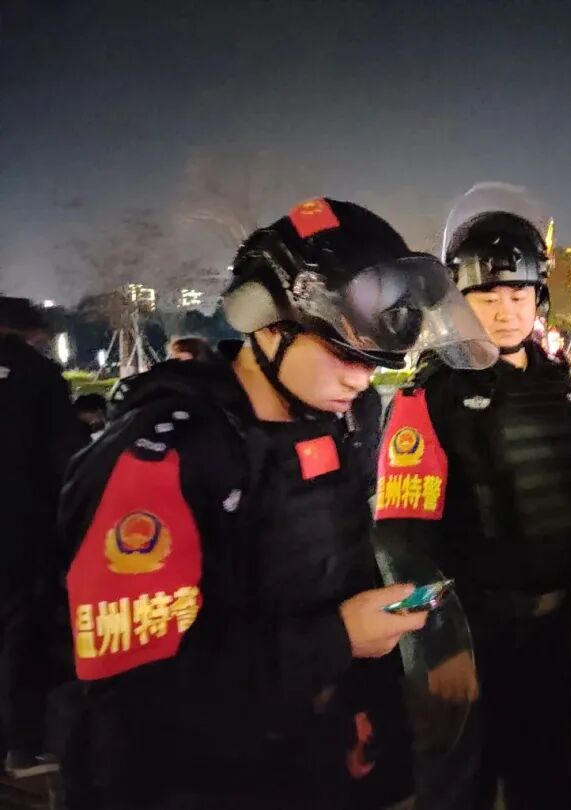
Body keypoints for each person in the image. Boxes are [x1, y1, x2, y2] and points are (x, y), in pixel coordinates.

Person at [57, 198, 494, 809]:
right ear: (267, 326)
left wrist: (365, 704)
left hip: (312, 760)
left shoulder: (344, 425)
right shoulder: (164, 457)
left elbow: (342, 572)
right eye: (344, 354)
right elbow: (134, 698)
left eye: (375, 362)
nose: (361, 379)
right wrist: (338, 638)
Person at [374, 183, 571, 810]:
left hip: (552, 635)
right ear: (459, 301)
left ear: (538, 299)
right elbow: (402, 537)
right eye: (487, 296)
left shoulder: (561, 387)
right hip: (474, 639)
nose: (505, 311)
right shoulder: (429, 397)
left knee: (552, 784)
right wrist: (438, 646)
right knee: (462, 791)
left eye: (518, 294)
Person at [0, 298, 85, 778]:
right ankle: (21, 745)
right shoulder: (37, 374)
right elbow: (66, 456)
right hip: (22, 525)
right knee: (21, 632)